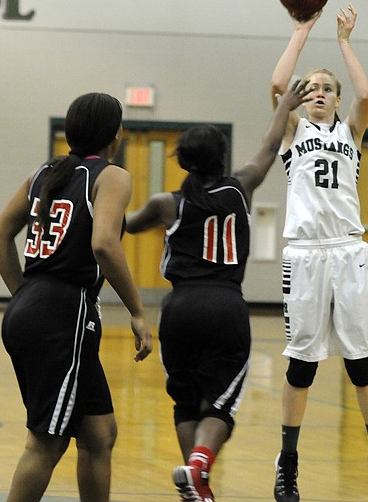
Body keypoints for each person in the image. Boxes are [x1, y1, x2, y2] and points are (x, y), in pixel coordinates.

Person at [124, 81, 311, 502]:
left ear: (184, 162)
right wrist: (284, 106)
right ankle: (198, 468)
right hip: (225, 306)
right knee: (220, 408)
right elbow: (268, 145)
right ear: (221, 158)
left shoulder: (165, 203)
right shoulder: (239, 188)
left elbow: (124, 226)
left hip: (180, 308)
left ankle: (197, 483)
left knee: (186, 404)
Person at [0, 93, 154, 502]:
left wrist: (25, 293)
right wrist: (136, 310)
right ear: (116, 134)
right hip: (64, 313)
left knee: (99, 433)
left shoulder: (44, 172)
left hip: (32, 306)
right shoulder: (112, 175)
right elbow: (105, 245)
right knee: (46, 442)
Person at [270, 5, 368, 502]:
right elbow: (278, 85)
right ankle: (288, 463)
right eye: (312, 89)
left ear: (337, 100)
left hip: (347, 253)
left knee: (361, 363)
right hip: (304, 256)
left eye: (327, 88)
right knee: (301, 366)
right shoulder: (292, 132)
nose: (318, 93)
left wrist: (344, 42)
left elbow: (365, 94)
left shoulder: (350, 134)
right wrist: (302, 30)